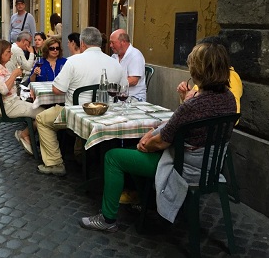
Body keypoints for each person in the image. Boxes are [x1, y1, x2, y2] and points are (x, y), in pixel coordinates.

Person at [79, 41, 237, 232]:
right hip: (210, 167)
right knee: (134, 150)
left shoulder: (193, 105)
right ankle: (146, 201)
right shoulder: (228, 99)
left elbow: (161, 142)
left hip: (184, 168)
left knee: (113, 157)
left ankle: (107, 219)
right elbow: (184, 127)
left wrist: (145, 143)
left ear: (197, 71)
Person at [35, 27, 128, 176]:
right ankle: (80, 154)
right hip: (107, 115)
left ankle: (54, 162)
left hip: (76, 115)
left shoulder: (73, 61)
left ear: (82, 43)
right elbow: (124, 90)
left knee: (41, 119)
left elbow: (57, 90)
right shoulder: (116, 64)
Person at [0, 39, 45, 155]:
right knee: (44, 115)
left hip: (11, 103)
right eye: (8, 52)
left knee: (41, 112)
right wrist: (14, 74)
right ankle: (26, 135)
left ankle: (25, 134)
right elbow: (3, 90)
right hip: (9, 106)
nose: (11, 54)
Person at [177, 36, 243, 114]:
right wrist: (185, 98)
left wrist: (194, 101)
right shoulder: (207, 77)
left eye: (199, 58)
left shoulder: (229, 77)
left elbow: (231, 114)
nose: (195, 64)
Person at [110, 29, 147, 101]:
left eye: (113, 43)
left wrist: (112, 85)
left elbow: (133, 81)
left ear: (123, 42)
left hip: (134, 97)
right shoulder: (114, 56)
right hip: (118, 96)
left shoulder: (135, 55)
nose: (110, 45)